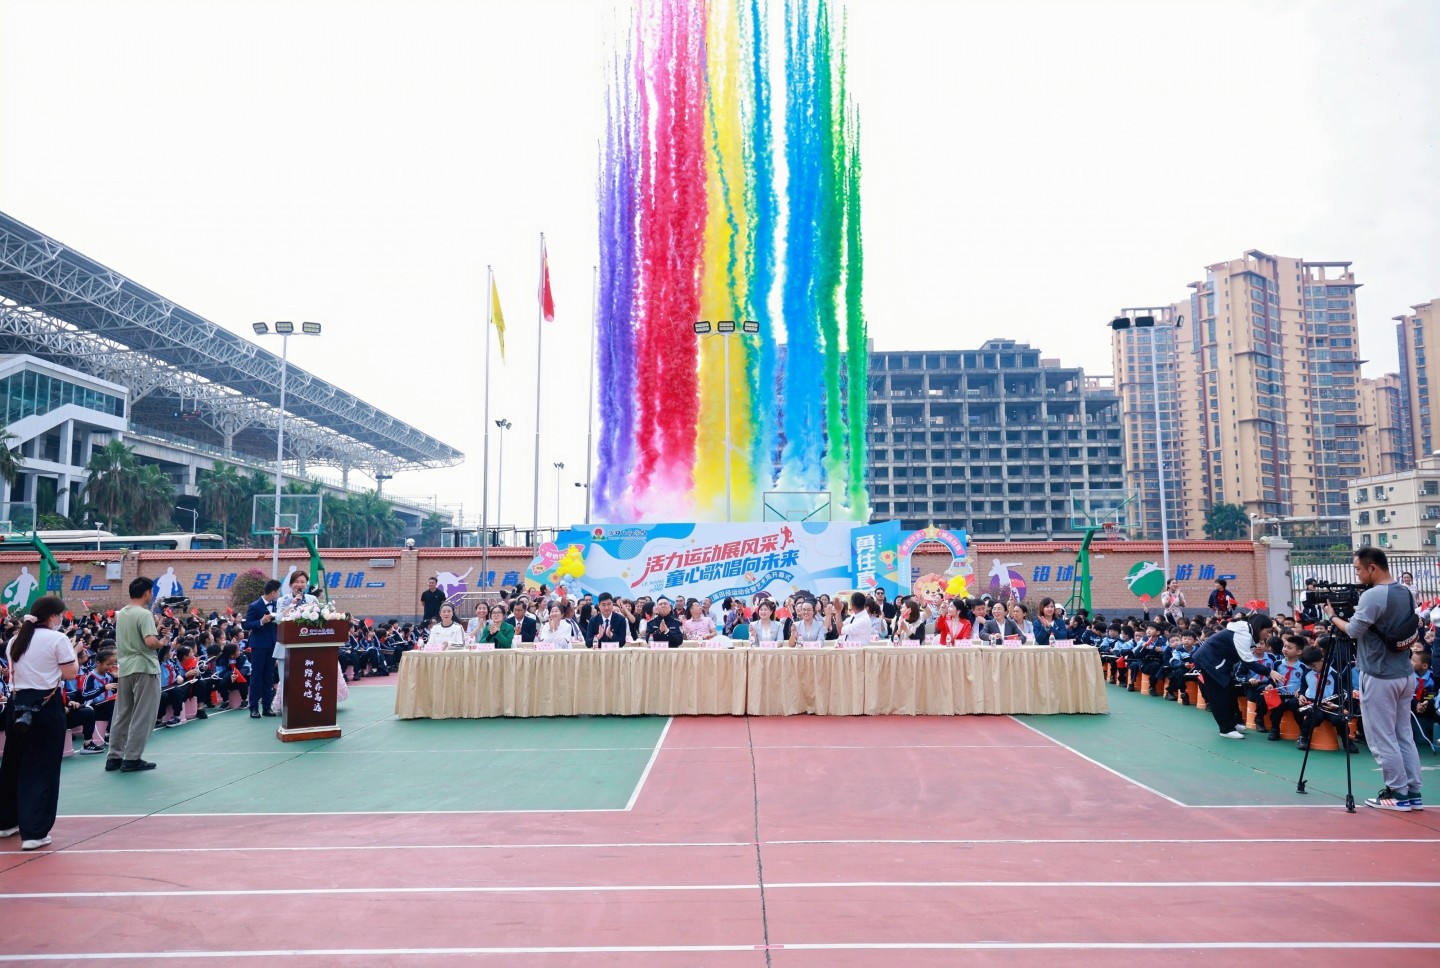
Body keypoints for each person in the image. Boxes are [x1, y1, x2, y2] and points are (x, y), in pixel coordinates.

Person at [1322, 547, 1424, 811]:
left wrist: (1332, 616)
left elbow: (1353, 631)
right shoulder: (1405, 591)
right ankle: (1413, 792)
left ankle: (1397, 794)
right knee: (1403, 735)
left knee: (1382, 737)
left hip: (1379, 674)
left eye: (1358, 569)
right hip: (1404, 673)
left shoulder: (1373, 595)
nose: (1357, 574)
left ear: (1372, 568)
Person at [0, 596, 78, 850]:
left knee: (13, 763)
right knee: (41, 766)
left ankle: (6, 821)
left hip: (17, 704)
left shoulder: (16, 639)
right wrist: (74, 653)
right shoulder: (58, 639)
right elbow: (70, 673)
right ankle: (34, 831)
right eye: (60, 615)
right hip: (45, 705)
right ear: (53, 616)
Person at [108, 577, 172, 770]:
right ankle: (132, 758)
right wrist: (162, 642)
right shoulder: (144, 614)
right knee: (143, 714)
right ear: (147, 592)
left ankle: (114, 756)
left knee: (122, 713)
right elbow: (150, 642)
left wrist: (156, 631)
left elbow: (136, 636)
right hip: (144, 667)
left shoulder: (122, 613)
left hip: (125, 667)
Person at [1191, 612, 1280, 739]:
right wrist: (1269, 672)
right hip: (1209, 662)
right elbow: (1248, 661)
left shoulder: (1245, 631)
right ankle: (1225, 729)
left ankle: (1233, 722)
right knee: (1219, 696)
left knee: (1230, 691)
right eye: (1268, 631)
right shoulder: (1243, 634)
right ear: (1259, 628)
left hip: (1220, 663)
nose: (1268, 635)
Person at [1295, 641, 1359, 753]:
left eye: (1314, 665)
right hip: (1312, 702)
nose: (1312, 668)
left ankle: (1347, 741)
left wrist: (1335, 705)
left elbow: (1340, 694)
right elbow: (1304, 685)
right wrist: (1301, 694)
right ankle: (1303, 737)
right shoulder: (1308, 671)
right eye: (1309, 666)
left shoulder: (1334, 675)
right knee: (1315, 716)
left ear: (1322, 660)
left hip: (1330, 703)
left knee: (1339, 718)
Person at [241, 579, 283, 720]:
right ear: (273, 592)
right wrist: (261, 621)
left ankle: (267, 707)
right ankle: (253, 708)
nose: (279, 594)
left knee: (269, 676)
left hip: (272, 645)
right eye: (278, 591)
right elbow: (247, 625)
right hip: (259, 645)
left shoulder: (277, 605)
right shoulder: (255, 606)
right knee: (256, 676)